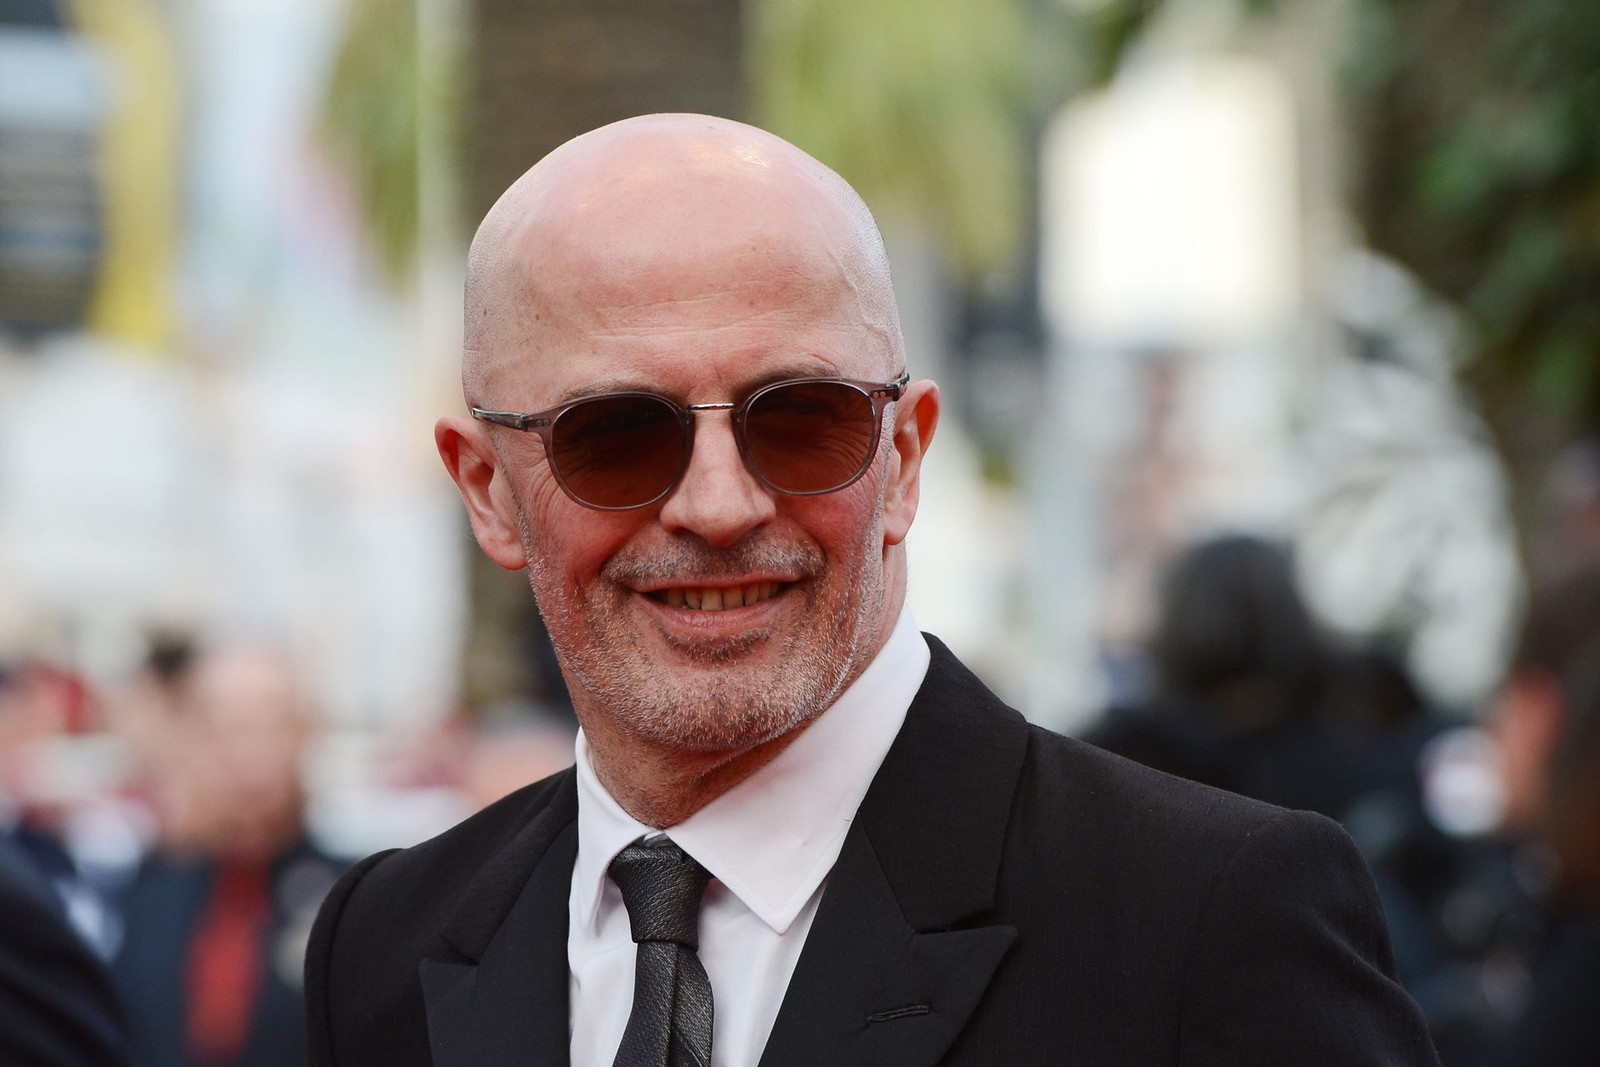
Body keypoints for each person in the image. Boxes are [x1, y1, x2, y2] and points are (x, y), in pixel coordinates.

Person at [305, 114, 1438, 1066]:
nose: (719, 504)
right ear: (489, 490)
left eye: (802, 419)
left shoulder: (1204, 915)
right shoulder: (387, 942)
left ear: (901, 459)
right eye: (616, 434)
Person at [114, 642, 346, 1066]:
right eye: (224, 730)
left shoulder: (349, 901)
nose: (247, 758)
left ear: (305, 735)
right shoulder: (142, 892)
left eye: (270, 728)